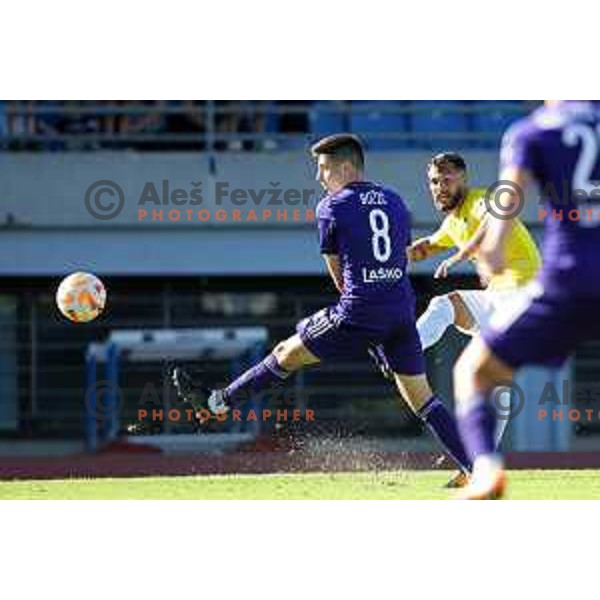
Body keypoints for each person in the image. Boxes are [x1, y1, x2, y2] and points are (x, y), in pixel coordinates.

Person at [170, 133, 472, 477]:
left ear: (345, 167)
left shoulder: (331, 206)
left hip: (359, 312)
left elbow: (338, 274)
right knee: (424, 401)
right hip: (401, 310)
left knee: (285, 352)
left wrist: (363, 322)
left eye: (324, 168)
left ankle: (216, 403)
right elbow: (400, 258)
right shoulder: (394, 200)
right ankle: (478, 467)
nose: (319, 177)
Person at [454, 101, 600, 499]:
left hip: (568, 280)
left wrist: (493, 248)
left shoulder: (531, 131)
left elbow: (508, 197)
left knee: (475, 372)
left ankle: (486, 470)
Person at [409, 152, 541, 447]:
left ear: (463, 179)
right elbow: (427, 247)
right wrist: (401, 254)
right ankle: (480, 463)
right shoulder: (452, 223)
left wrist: (462, 253)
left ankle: (405, 351)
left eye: (447, 179)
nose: (440, 186)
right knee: (490, 376)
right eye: (433, 181)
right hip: (505, 298)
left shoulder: (480, 201)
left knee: (447, 306)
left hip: (522, 291)